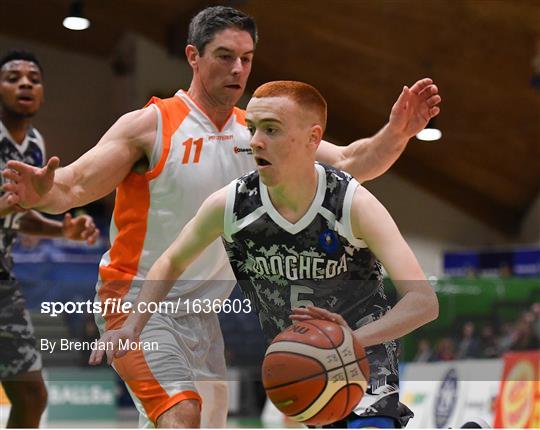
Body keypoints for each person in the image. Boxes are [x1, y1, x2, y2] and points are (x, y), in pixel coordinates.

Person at [2, 6, 441, 428]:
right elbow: (75, 185)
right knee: (180, 415)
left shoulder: (258, 134)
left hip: (203, 313)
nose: (238, 70)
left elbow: (349, 161)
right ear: (193, 56)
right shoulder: (150, 126)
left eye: (246, 59)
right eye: (225, 56)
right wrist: (44, 193)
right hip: (137, 298)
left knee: (193, 421)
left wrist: (397, 132)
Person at [90, 81, 439, 428]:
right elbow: (171, 260)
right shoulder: (233, 204)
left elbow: (424, 301)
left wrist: (348, 342)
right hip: (302, 361)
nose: (255, 141)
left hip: (365, 356)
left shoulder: (351, 203)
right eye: (252, 128)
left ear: (313, 139)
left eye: (271, 130)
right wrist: (133, 326)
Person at [0, 50, 99, 428]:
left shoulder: (35, 144)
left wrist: (61, 229)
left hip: (3, 283)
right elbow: (11, 208)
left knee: (32, 395)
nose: (25, 83)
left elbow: (20, 214)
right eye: (13, 77)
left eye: (34, 79)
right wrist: (10, 206)